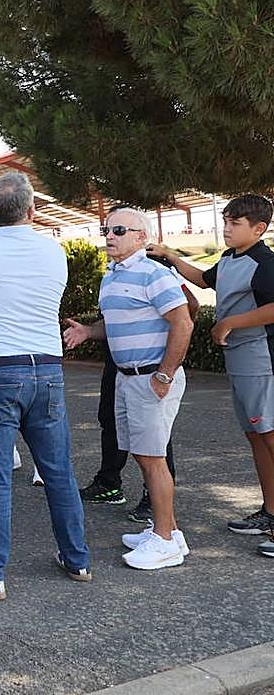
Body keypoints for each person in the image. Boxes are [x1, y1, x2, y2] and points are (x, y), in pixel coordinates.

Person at [0, 171, 89, 600]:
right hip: (47, 370)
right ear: (32, 209)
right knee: (58, 471)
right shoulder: (53, 252)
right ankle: (76, 558)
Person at [64, 209, 194, 570]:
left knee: (153, 459)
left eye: (119, 230)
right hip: (127, 377)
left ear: (141, 237)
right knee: (141, 454)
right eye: (106, 229)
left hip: (151, 378)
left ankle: (165, 540)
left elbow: (183, 322)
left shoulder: (154, 273)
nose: (109, 235)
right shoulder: (114, 275)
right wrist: (89, 332)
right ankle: (168, 529)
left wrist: (165, 375)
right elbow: (118, 322)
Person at [149, 194, 274, 559]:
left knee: (268, 435)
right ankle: (269, 513)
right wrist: (171, 257)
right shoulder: (230, 259)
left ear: (259, 228)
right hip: (240, 359)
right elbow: (204, 280)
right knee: (256, 436)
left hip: (260, 358)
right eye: (226, 222)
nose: (227, 229)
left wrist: (231, 322)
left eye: (235, 223)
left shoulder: (264, 262)